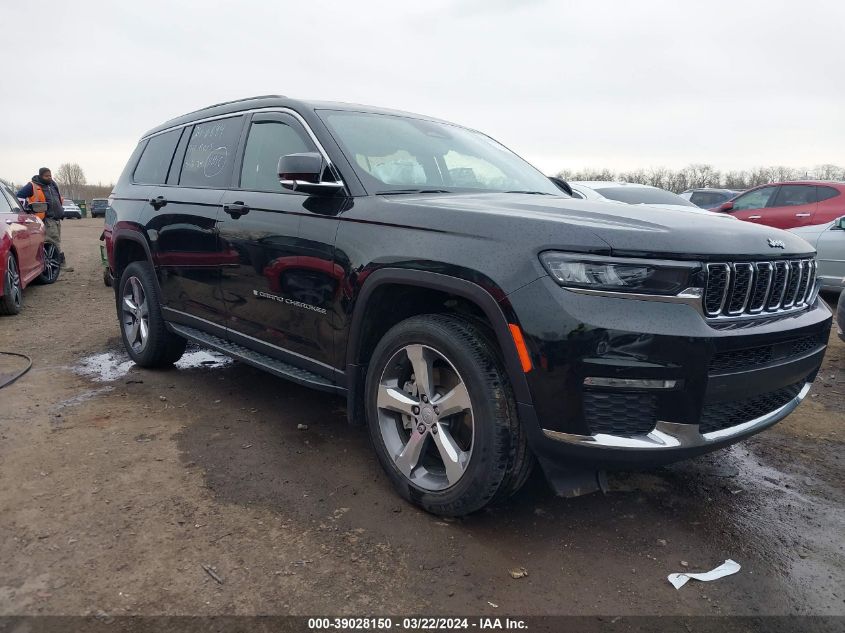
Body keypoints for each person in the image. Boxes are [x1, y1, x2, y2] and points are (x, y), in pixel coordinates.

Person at [17, 167, 73, 272]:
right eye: (47, 176)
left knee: (54, 241)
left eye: (50, 175)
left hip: (57, 219)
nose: (49, 178)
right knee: (54, 241)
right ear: (40, 176)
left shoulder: (53, 185)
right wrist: (28, 208)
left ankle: (51, 264)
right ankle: (60, 264)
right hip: (46, 219)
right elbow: (19, 196)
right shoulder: (32, 186)